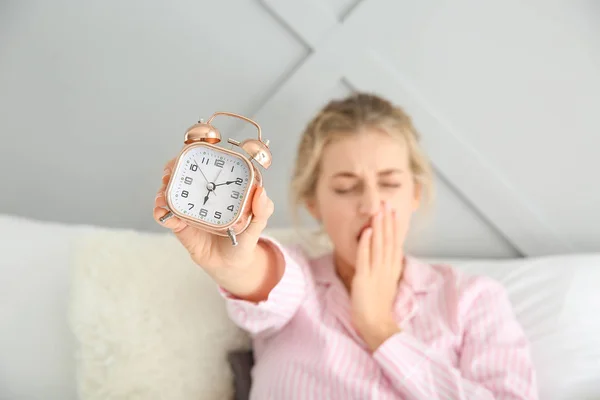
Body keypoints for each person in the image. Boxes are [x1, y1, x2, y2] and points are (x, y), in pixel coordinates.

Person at [153, 92, 538, 399]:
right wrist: (232, 265)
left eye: (389, 183)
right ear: (313, 203)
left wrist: (380, 329)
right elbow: (264, 278)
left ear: (414, 194)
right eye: (346, 187)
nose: (371, 205)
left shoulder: (473, 300)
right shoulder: (300, 282)